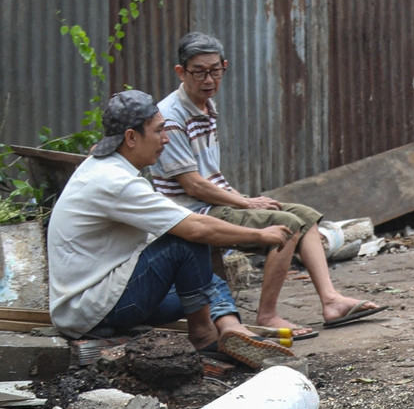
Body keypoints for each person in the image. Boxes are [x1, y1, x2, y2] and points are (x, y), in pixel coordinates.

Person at [153, 32, 383, 334]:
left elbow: (213, 177)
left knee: (305, 216)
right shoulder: (171, 115)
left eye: (215, 71)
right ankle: (267, 316)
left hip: (214, 200)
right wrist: (246, 202)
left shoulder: (206, 107)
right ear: (181, 72)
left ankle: (331, 301)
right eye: (199, 72)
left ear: (224, 66)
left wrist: (242, 197)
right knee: (286, 226)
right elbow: (193, 186)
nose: (208, 79)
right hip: (194, 211)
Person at [48, 91, 293, 345]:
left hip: (100, 301)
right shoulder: (114, 181)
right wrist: (260, 235)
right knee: (185, 240)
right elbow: (195, 228)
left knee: (206, 278)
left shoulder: (104, 167)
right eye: (158, 131)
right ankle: (203, 334)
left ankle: (232, 328)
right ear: (131, 138)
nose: (165, 139)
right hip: (95, 310)